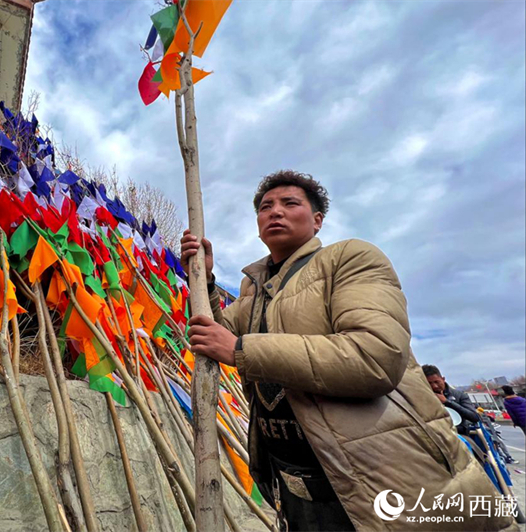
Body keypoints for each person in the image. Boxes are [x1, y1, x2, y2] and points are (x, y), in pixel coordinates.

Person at [181, 170, 515, 531]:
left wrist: (243, 350)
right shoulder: (254, 292)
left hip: (383, 480)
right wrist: (203, 280)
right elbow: (213, 335)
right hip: (294, 487)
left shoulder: (349, 259)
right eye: (265, 207)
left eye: (290, 203)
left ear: (317, 220)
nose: (274, 211)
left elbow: (375, 356)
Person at [421, 364, 480, 436]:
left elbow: (474, 417)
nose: (434, 386)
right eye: (429, 383)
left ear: (443, 379)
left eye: (437, 382)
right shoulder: (421, 398)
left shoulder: (460, 395)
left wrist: (447, 402)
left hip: (460, 434)